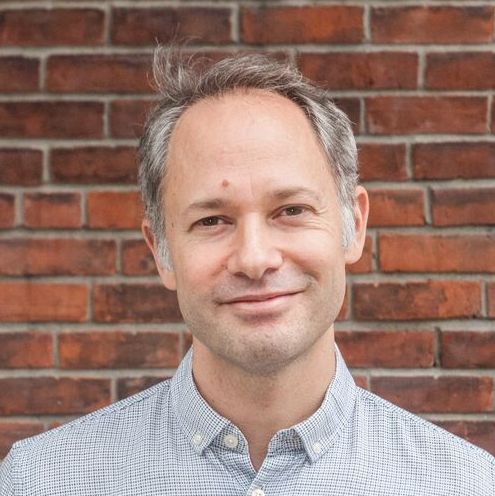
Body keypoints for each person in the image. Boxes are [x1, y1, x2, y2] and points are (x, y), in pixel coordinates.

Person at [1, 47, 493, 496]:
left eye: (292, 210)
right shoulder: (41, 482)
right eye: (212, 220)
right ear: (161, 251)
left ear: (354, 226)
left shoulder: (466, 485)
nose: (255, 259)